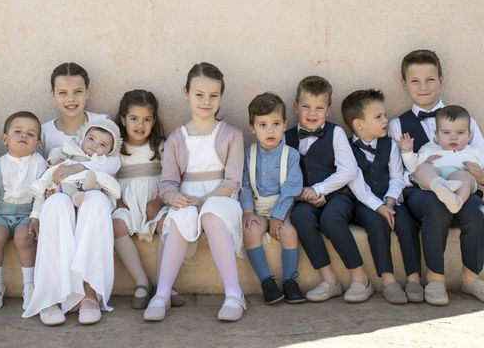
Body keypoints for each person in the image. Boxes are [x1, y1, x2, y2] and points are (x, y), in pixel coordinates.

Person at [144, 62, 246, 322]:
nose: (206, 101)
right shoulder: (176, 139)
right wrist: (172, 198)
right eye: (199, 94)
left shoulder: (232, 135)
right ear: (186, 93)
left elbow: (233, 181)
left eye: (213, 95)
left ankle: (234, 294)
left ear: (221, 96)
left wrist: (205, 200)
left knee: (210, 214)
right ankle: (162, 294)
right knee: (180, 215)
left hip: (221, 198)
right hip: (187, 200)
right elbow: (167, 183)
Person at [23, 62, 118, 326]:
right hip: (60, 197)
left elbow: (111, 163)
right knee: (56, 205)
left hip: (92, 191)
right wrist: (36, 213)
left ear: (88, 92)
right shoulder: (45, 131)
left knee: (96, 202)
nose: (71, 98)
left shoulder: (103, 124)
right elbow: (42, 176)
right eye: (63, 92)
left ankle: (89, 293)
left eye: (77, 91)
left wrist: (80, 166)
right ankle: (52, 297)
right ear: (52, 93)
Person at [388, 49, 484, 305]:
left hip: (461, 185)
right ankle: (435, 280)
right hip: (421, 190)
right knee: (436, 208)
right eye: (415, 81)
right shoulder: (398, 125)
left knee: (476, 210)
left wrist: (479, 177)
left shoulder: (467, 120)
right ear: (404, 84)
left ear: (441, 79)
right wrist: (419, 176)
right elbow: (398, 172)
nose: (423, 87)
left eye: (430, 79)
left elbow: (481, 159)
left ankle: (471, 278)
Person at [288, 76, 373, 303]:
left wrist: (319, 189)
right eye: (306, 106)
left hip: (338, 195)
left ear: (328, 110)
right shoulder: (286, 137)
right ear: (296, 107)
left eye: (319, 108)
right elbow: (282, 176)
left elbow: (349, 170)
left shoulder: (334, 133)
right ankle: (330, 281)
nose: (312, 113)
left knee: (331, 220)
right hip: (304, 199)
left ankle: (360, 279)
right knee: (300, 217)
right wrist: (302, 195)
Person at [0, 111, 45, 311]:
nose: (24, 136)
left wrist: (36, 217)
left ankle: (30, 286)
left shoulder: (39, 163)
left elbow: (42, 193)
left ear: (38, 143)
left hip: (26, 214)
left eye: (31, 134)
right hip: (1, 215)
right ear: (5, 139)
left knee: (26, 238)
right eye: (18, 132)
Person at [341, 89, 410, 304]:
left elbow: (398, 176)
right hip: (363, 202)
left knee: (406, 221)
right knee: (377, 222)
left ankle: (414, 277)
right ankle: (389, 280)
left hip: (389, 198)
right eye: (378, 117)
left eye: (385, 115)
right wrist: (379, 207)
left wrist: (390, 200)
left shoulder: (389, 144)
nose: (386, 120)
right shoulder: (346, 148)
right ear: (359, 124)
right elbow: (357, 185)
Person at [240, 92, 305, 305]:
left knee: (289, 232)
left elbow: (291, 189)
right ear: (252, 127)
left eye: (276, 123)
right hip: (257, 209)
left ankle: (289, 281)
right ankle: (267, 282)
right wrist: (248, 211)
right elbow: (245, 185)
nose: (270, 130)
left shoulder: (291, 155)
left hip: (282, 208)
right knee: (250, 232)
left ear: (285, 124)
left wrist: (279, 215)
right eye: (263, 125)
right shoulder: (248, 154)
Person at [111, 90, 169, 309]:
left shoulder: (160, 146)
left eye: (146, 119)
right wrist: (116, 202)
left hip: (154, 203)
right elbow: (105, 178)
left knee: (168, 224)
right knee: (116, 225)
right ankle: (142, 282)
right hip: (125, 203)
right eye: (134, 118)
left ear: (153, 121)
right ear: (123, 120)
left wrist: (160, 201)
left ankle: (165, 283)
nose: (140, 125)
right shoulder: (116, 148)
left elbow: (171, 178)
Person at [400, 105, 484, 214]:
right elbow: (413, 167)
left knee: (462, 175)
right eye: (446, 132)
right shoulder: (429, 148)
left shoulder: (475, 151)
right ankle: (439, 185)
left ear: (469, 135)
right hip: (434, 180)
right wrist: (407, 152)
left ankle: (457, 201)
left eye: (460, 133)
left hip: (460, 180)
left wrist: (479, 173)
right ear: (437, 135)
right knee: (423, 168)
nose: (453, 137)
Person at [38, 119, 122, 207]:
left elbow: (114, 165)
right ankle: (75, 196)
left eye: (102, 144)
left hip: (92, 190)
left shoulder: (104, 161)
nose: (94, 145)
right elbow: (57, 151)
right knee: (65, 183)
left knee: (99, 183)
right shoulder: (73, 148)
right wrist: (54, 160)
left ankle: (88, 186)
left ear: (110, 151)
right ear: (83, 137)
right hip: (70, 184)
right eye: (91, 139)